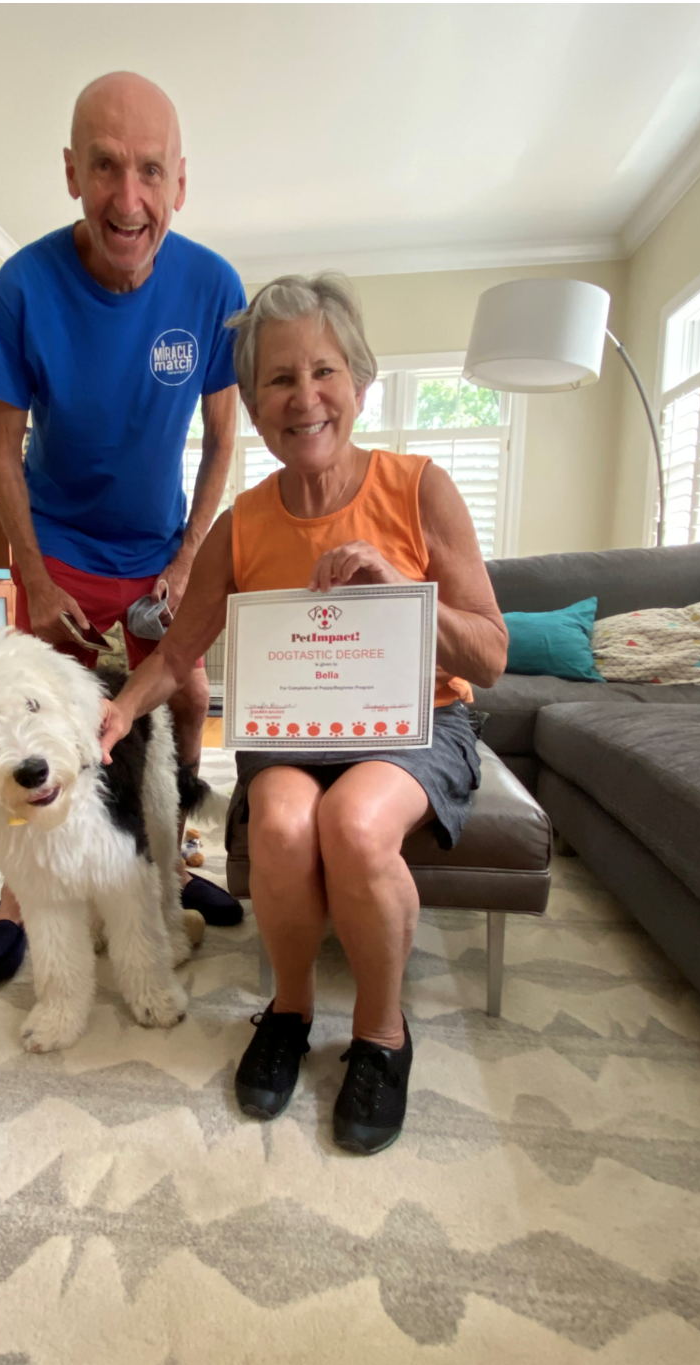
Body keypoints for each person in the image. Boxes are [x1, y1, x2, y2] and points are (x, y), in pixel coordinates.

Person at [99, 273, 507, 1155]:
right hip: (296, 729)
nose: (304, 396)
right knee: (283, 824)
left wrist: (405, 591)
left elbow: (491, 654)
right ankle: (287, 1011)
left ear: (358, 383)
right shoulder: (241, 525)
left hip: (417, 725)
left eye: (323, 371)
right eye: (278, 379)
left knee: (357, 824)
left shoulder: (418, 487)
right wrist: (115, 716)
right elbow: (176, 653)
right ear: (252, 404)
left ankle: (380, 1034)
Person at [0, 72, 247, 982]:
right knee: (47, 722)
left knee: (187, 698)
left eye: (151, 172)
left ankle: (172, 857)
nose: (130, 199)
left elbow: (223, 437)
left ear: (180, 184)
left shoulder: (211, 288)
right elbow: (0, 450)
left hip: (159, 549)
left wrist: (188, 552)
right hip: (59, 548)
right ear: (72, 172)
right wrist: (36, 580)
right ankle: (22, 890)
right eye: (107, 168)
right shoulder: (22, 286)